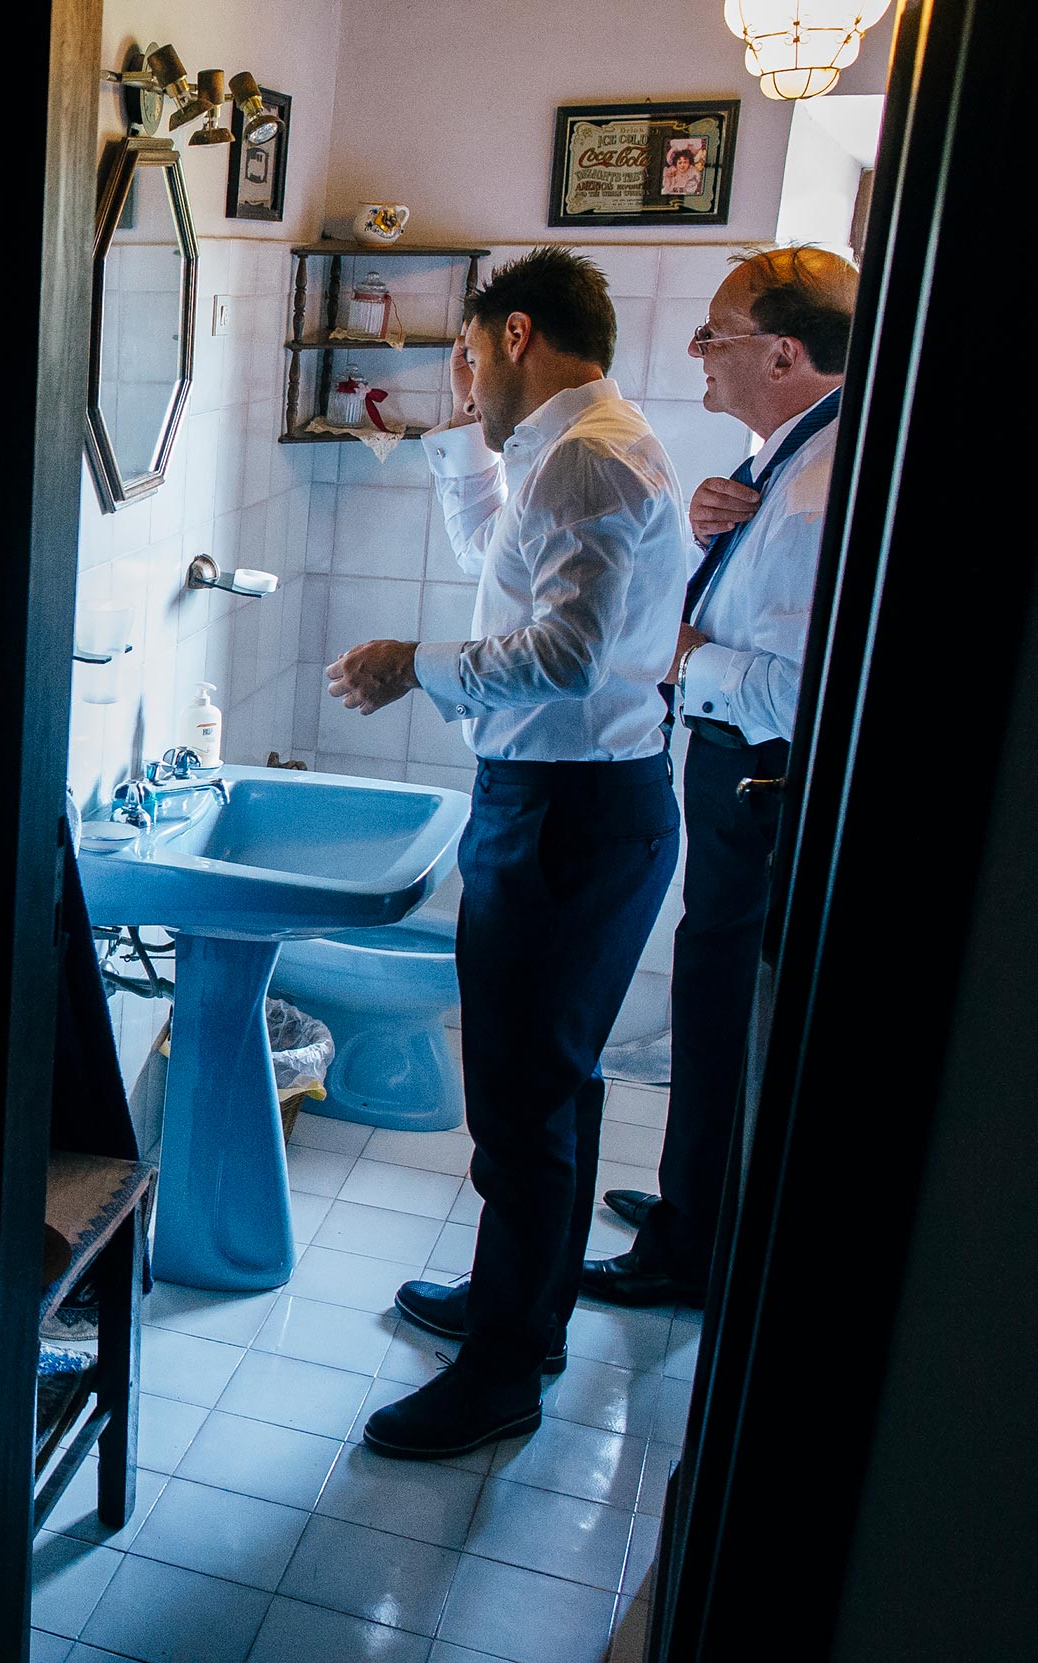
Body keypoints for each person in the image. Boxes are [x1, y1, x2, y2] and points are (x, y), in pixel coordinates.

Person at [323, 248, 691, 1458]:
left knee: (523, 1106)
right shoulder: (571, 445)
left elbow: (562, 656)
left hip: (566, 812)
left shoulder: (585, 455)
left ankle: (498, 1378)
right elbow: (503, 562)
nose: (465, 368)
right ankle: (516, 1318)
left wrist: (409, 661)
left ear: (517, 334)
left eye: (474, 351)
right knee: (556, 1088)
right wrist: (455, 433)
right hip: (579, 801)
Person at [583, 247, 859, 1307]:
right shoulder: (787, 462)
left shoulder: (813, 490)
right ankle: (699, 1199)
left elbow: (802, 691)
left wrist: (686, 650)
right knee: (712, 997)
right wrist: (713, 538)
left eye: (717, 334)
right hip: (744, 776)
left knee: (721, 1002)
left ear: (783, 353)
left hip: (765, 778)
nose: (697, 350)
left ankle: (695, 1246)